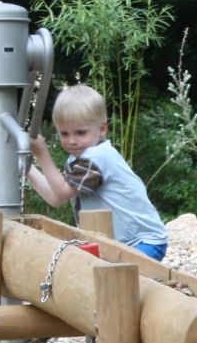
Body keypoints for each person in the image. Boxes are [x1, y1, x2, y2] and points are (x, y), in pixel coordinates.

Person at [28, 84, 168, 261]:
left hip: (143, 242)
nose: (72, 141)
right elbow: (55, 197)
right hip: (123, 244)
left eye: (80, 132)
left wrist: (41, 153)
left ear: (102, 129)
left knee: (115, 282)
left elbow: (61, 192)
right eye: (64, 134)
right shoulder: (79, 158)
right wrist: (26, 168)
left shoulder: (97, 157)